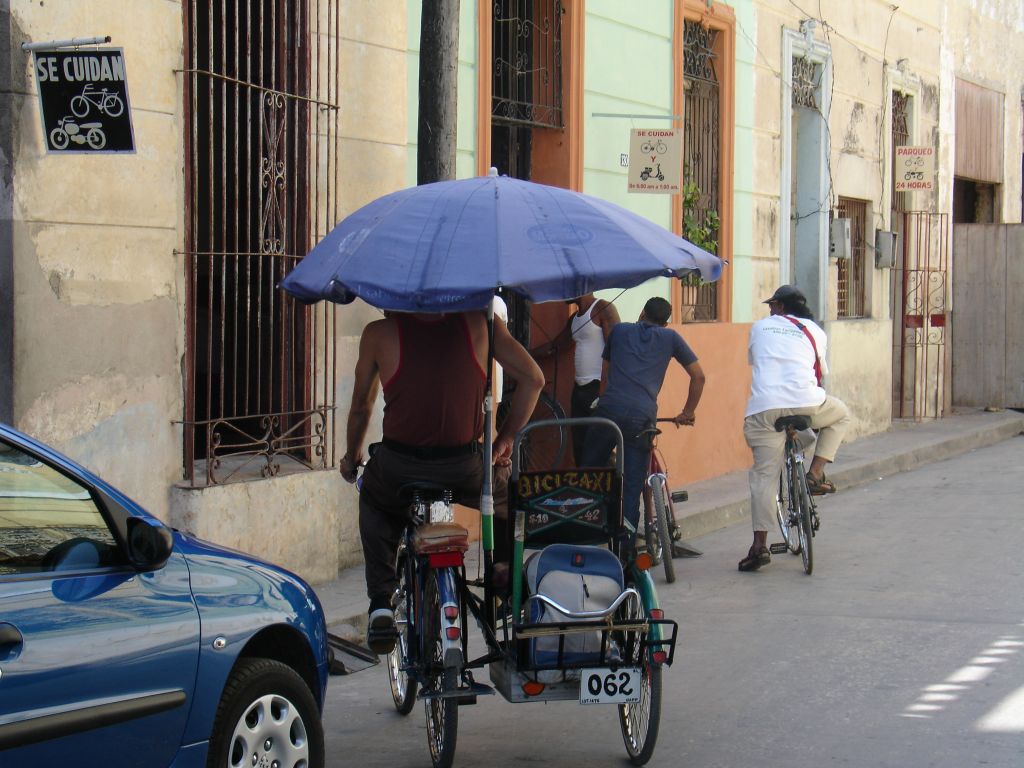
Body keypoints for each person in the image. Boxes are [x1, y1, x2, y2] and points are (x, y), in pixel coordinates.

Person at [339, 310, 544, 653]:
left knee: (375, 501)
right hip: (463, 468)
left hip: (397, 466)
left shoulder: (378, 333)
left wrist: (352, 456)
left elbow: (361, 406)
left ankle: (380, 603)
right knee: (508, 498)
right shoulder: (483, 324)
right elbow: (534, 379)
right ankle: (505, 577)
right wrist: (504, 441)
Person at [579, 296, 705, 558]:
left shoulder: (621, 330)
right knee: (633, 485)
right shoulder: (671, 339)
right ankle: (626, 552)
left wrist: (601, 400)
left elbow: (605, 373)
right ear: (666, 323)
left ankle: (584, 533)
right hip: (642, 417)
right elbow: (698, 376)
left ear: (642, 312)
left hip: (609, 411)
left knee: (589, 470)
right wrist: (687, 412)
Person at [739, 284, 851, 572]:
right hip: (806, 402)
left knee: (764, 476)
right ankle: (814, 474)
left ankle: (759, 546)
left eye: (771, 305)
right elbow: (819, 374)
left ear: (779, 306)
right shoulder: (815, 331)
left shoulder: (760, 327)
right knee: (841, 415)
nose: (769, 310)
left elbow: (755, 361)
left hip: (765, 407)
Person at [531, 293, 621, 465]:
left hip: (598, 388)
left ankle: (608, 490)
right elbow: (555, 346)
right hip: (579, 390)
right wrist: (525, 354)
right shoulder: (575, 319)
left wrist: (605, 390)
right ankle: (584, 490)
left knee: (601, 446)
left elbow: (616, 349)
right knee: (580, 447)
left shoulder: (603, 308)